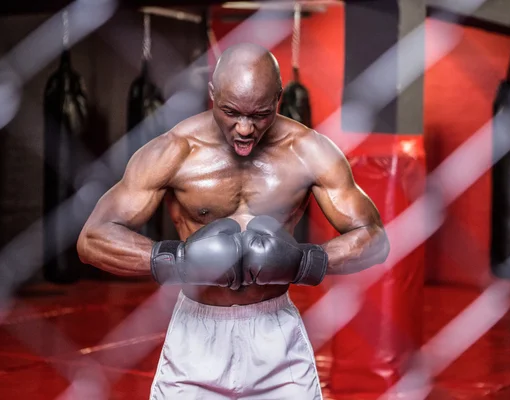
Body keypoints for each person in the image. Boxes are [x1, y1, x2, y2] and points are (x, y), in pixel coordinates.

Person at [77, 43, 390, 400]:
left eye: (259, 114)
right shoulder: (174, 151)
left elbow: (375, 238)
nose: (244, 128)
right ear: (212, 94)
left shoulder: (308, 151)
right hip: (197, 332)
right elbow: (92, 238)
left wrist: (306, 262)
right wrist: (177, 261)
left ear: (278, 98)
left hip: (276, 337)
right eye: (230, 112)